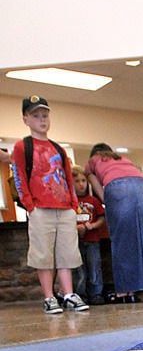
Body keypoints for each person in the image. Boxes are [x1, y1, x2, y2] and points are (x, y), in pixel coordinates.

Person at [11, 96, 89, 314]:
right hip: (40, 208)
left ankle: (68, 294)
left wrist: (74, 204)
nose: (42, 120)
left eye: (45, 115)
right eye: (36, 116)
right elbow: (19, 176)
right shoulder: (22, 146)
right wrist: (29, 205)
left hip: (64, 207)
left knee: (67, 253)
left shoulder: (58, 148)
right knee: (43, 254)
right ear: (26, 119)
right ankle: (48, 296)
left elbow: (67, 176)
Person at [84, 144, 143, 303]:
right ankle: (137, 289)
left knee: (121, 241)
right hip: (141, 186)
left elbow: (98, 188)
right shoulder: (123, 158)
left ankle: (123, 292)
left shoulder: (92, 161)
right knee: (142, 238)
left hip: (118, 188)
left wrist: (107, 201)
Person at [73, 165, 107, 304]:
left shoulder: (93, 201)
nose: (81, 184)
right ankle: (81, 294)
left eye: (83, 181)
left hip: (92, 239)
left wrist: (92, 226)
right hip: (75, 241)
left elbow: (101, 218)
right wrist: (75, 227)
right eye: (77, 181)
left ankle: (96, 294)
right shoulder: (71, 203)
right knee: (79, 269)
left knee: (94, 267)